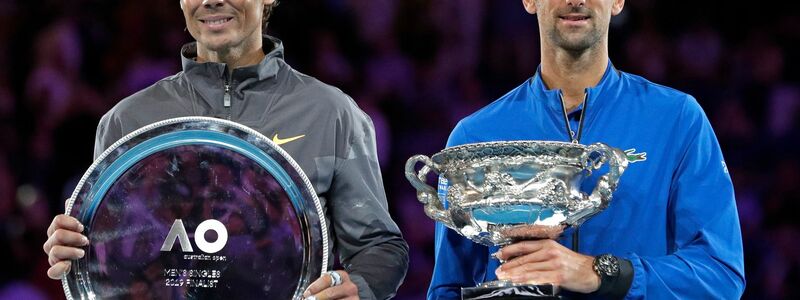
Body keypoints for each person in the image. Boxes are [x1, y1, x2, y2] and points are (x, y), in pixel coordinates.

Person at [41, 1, 409, 299]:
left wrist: (359, 287)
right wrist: (74, 250)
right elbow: (115, 257)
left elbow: (380, 248)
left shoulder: (331, 113)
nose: (211, 1)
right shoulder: (128, 121)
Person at [428, 0, 745, 299]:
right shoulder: (474, 138)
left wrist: (599, 273)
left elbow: (720, 276)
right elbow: (447, 289)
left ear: (618, 1)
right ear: (528, 1)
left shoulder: (677, 119)